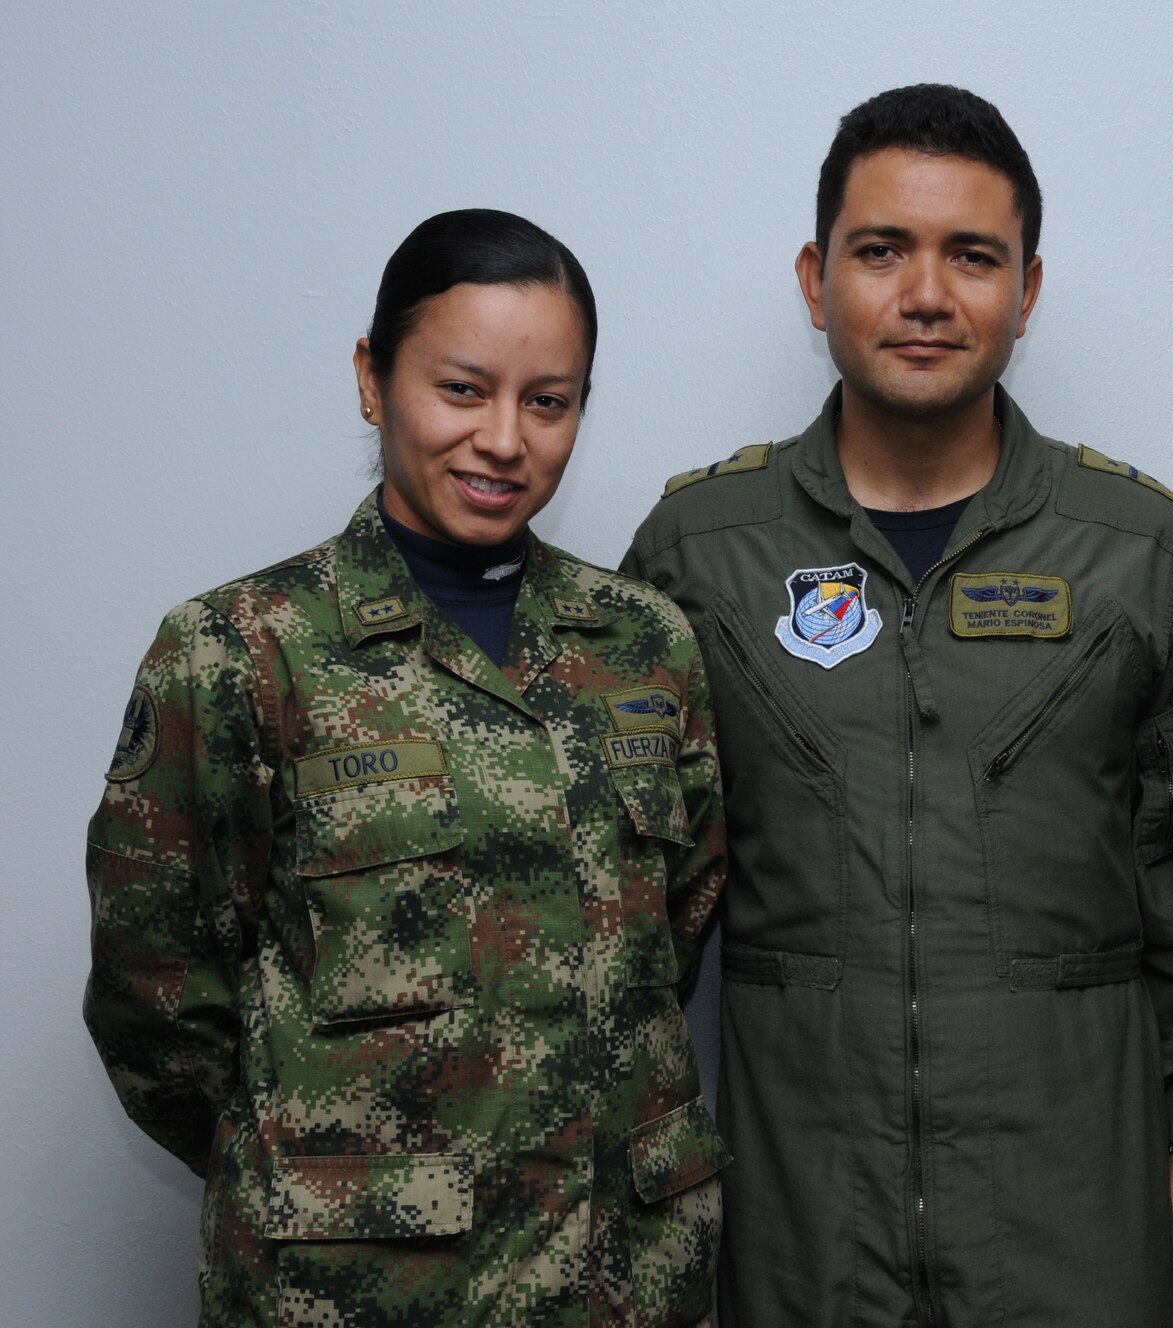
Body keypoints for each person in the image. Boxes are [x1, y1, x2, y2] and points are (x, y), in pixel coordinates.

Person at [623, 85, 1173, 1326]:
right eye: (879, 250)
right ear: (815, 278)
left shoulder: (1130, 545)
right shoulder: (701, 551)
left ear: (1027, 286)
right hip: (798, 1215)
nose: (924, 294)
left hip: (1068, 1210)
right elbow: (629, 907)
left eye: (971, 255)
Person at [84, 209, 728, 1327]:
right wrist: (323, 1167)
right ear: (372, 379)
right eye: (462, 389)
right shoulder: (245, 647)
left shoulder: (644, 641)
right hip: (364, 1287)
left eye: (549, 401)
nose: (504, 440)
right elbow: (159, 999)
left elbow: (669, 931)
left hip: (621, 1278)